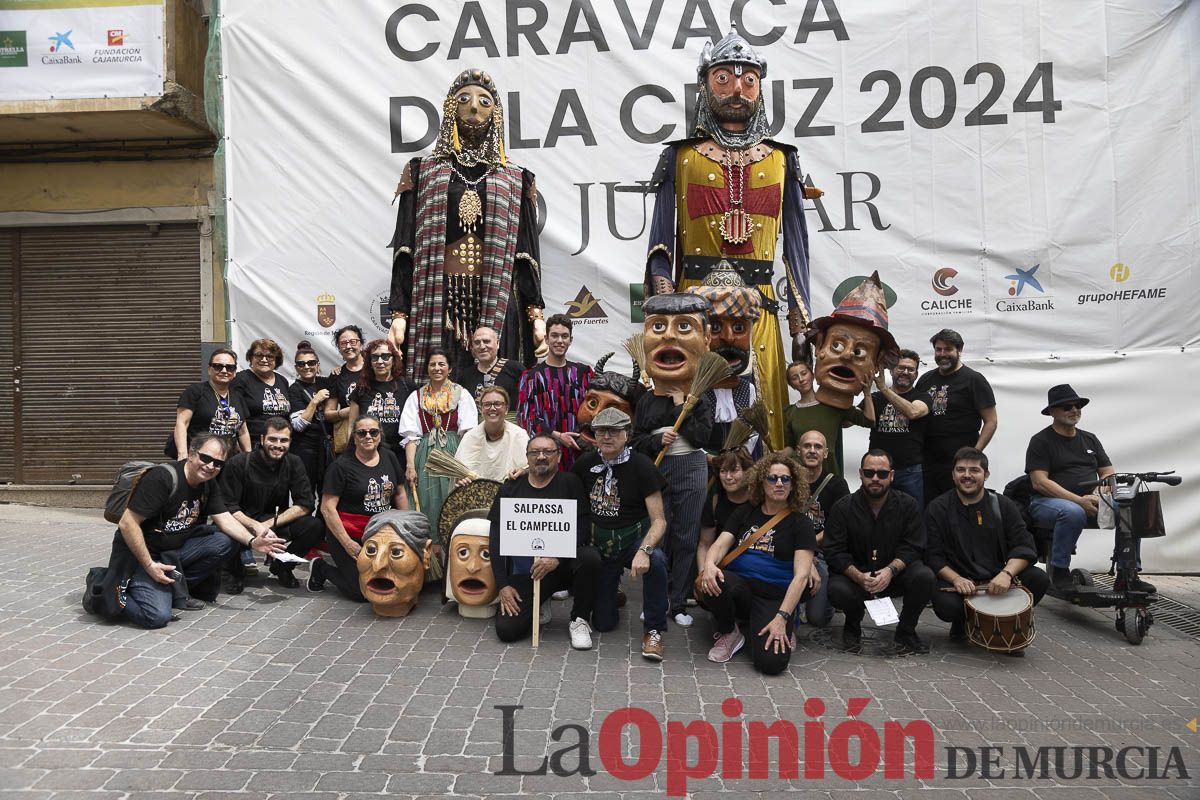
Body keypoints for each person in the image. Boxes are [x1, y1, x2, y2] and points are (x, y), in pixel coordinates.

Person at [644, 27, 817, 451]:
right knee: (693, 411)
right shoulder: (680, 157)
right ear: (705, 84)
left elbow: (796, 249)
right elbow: (660, 244)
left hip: (759, 305)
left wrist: (800, 319)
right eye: (723, 77)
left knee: (762, 417)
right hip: (695, 305)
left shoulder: (782, 158)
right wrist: (667, 305)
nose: (737, 88)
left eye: (748, 79)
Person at [388, 69, 546, 378]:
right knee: (441, 384)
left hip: (498, 295)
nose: (474, 107)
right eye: (464, 99)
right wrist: (399, 313)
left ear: (496, 114)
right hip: (439, 296)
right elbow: (405, 248)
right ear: (450, 108)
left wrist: (536, 315)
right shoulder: (422, 172)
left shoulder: (517, 178)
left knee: (498, 384)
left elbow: (526, 255)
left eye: (485, 101)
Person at [111, 433, 286, 628]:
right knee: (157, 616)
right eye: (206, 458)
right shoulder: (162, 478)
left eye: (218, 463)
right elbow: (127, 523)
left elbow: (224, 518)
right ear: (192, 454)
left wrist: (252, 542)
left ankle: (173, 589)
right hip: (143, 555)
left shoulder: (207, 483)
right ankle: (105, 590)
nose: (210, 466)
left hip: (173, 552)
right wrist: (149, 565)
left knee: (225, 541)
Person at [632, 293, 715, 628]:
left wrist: (683, 406)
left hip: (691, 468)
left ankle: (678, 602)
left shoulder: (701, 398)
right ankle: (656, 601)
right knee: (658, 535)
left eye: (683, 327)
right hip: (658, 470)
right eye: (659, 327)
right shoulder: (646, 400)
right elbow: (636, 441)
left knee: (686, 535)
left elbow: (702, 438)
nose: (669, 336)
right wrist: (656, 440)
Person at [1024, 384, 1152, 593]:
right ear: (1052, 412)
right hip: (1045, 503)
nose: (1074, 410)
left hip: (1090, 500)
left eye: (1077, 406)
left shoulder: (1090, 438)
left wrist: (1097, 494)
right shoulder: (1041, 441)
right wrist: (1078, 500)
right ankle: (1060, 570)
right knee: (1071, 511)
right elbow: (1040, 482)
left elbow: (1109, 473)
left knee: (1131, 509)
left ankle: (1128, 573)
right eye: (1067, 407)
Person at [698, 454, 817, 674]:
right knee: (713, 578)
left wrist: (782, 618)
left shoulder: (801, 523)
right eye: (772, 478)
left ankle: (779, 623)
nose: (779, 483)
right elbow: (720, 544)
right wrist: (709, 565)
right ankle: (729, 632)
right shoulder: (745, 512)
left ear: (793, 485)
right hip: (741, 586)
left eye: (785, 479)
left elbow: (801, 576)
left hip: (774, 595)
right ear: (761, 482)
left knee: (771, 664)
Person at [570, 408, 670, 662]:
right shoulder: (584, 463)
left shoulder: (642, 466)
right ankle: (612, 591)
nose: (606, 436)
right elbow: (560, 489)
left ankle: (654, 630)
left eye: (614, 431)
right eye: (601, 431)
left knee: (657, 560)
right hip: (600, 545)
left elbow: (659, 521)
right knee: (604, 623)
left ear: (627, 434)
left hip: (632, 542)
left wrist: (644, 551)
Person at [926, 447, 1048, 654]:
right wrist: (956, 579)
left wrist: (1006, 574)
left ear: (986, 474)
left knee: (1039, 578)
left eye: (974, 470)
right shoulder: (938, 508)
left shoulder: (1003, 505)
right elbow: (932, 555)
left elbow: (1025, 546)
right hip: (962, 584)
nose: (967, 476)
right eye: (960, 470)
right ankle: (963, 622)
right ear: (953, 474)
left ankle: (1008, 624)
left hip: (998, 580)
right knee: (947, 606)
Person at [488, 434, 598, 647]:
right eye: (535, 452)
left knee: (589, 558)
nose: (541, 456)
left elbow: (583, 529)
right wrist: (502, 586)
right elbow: (495, 539)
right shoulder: (510, 488)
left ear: (558, 456)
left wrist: (557, 557)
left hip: (562, 566)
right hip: (527, 573)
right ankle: (542, 599)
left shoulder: (570, 483)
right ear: (527, 458)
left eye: (548, 452)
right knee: (507, 631)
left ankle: (579, 620)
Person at [824, 449, 935, 654]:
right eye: (869, 473)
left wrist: (890, 571)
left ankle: (906, 630)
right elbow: (834, 551)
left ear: (892, 475)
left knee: (924, 576)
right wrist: (858, 576)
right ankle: (852, 624)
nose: (875, 478)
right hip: (857, 577)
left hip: (894, 576)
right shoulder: (843, 507)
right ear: (860, 473)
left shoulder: (908, 505)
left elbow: (914, 546)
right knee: (837, 589)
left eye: (882, 474)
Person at [218, 418, 326, 590]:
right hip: (241, 521)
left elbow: (306, 503)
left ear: (290, 442)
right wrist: (254, 526)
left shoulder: (294, 462)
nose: (278, 445)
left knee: (314, 526)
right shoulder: (238, 463)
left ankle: (283, 568)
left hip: (273, 522)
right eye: (272, 439)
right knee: (223, 533)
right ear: (262, 440)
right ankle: (234, 571)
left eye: (284, 440)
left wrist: (267, 525)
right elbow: (228, 507)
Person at [312, 414, 408, 600]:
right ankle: (321, 568)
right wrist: (347, 543)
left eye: (373, 432)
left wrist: (407, 529)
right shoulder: (341, 466)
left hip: (381, 533)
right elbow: (327, 508)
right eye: (361, 433)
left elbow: (400, 493)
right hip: (348, 532)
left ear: (380, 434)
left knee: (391, 579)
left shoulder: (389, 457)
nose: (368, 437)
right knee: (360, 591)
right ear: (354, 437)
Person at [400, 348, 478, 537]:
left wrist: (464, 466)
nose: (437, 368)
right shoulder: (416, 397)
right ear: (427, 368)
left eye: (441, 364)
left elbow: (469, 434)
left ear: (449, 368)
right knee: (426, 499)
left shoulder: (461, 394)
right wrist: (411, 466)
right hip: (424, 456)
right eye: (432, 364)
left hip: (454, 452)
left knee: (451, 497)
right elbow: (411, 435)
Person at [914, 329, 997, 503]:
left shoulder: (974, 380)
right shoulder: (925, 379)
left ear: (959, 350)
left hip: (958, 465)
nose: (942, 354)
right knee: (931, 512)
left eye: (948, 349)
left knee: (959, 511)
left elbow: (991, 421)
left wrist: (974, 454)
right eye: (938, 349)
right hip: (927, 463)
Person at [515, 313, 593, 469]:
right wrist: (557, 436)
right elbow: (525, 418)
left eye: (564, 336)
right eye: (555, 336)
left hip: (580, 453)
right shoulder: (531, 376)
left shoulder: (584, 373)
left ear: (571, 340)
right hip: (544, 456)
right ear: (546, 339)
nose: (559, 341)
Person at [795, 430, 849, 628]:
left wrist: (808, 548)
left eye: (817, 447)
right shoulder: (788, 481)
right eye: (807, 446)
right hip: (792, 551)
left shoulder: (837, 485)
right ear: (798, 451)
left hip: (821, 554)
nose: (812, 451)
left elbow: (837, 528)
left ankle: (827, 600)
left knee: (817, 619)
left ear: (826, 453)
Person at [866, 349, 931, 507]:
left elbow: (913, 412)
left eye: (911, 369)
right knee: (875, 514)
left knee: (913, 518)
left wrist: (884, 389)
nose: (905, 372)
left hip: (909, 471)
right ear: (891, 370)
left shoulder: (923, 397)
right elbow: (849, 422)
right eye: (901, 367)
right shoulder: (876, 398)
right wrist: (863, 392)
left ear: (916, 375)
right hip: (877, 472)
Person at [169, 347, 251, 458]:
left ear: (235, 372)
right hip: (201, 458)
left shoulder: (238, 396)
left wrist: (248, 457)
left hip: (229, 458)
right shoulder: (195, 391)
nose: (224, 371)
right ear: (209, 369)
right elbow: (182, 423)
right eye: (218, 366)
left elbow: (243, 431)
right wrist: (183, 454)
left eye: (230, 367)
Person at [349, 339, 418, 461]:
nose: (380, 361)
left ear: (393, 359)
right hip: (369, 455)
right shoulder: (361, 389)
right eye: (375, 357)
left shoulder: (407, 386)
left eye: (385, 356)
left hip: (401, 455)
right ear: (369, 362)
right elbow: (351, 427)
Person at [287, 341, 333, 501]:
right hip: (304, 450)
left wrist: (339, 371)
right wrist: (315, 401)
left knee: (328, 495)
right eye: (301, 364)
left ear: (318, 365)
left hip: (327, 450)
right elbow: (298, 425)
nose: (306, 367)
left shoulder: (326, 382)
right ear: (296, 368)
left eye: (311, 363)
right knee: (305, 497)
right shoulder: (294, 389)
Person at [697, 448, 754, 574]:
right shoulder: (714, 502)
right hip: (721, 569)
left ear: (747, 472)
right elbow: (705, 544)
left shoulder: (759, 501)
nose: (728, 477)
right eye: (723, 471)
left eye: (734, 470)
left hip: (753, 567)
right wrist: (702, 575)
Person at [456, 387, 529, 482]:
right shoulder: (470, 437)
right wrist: (462, 481)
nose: (492, 408)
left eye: (498, 404)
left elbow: (530, 468)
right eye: (487, 405)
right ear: (481, 410)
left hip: (510, 491)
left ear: (506, 409)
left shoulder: (519, 435)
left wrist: (523, 471)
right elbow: (458, 476)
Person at [232, 338, 292, 442]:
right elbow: (237, 417)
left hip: (280, 442)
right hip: (253, 442)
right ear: (251, 358)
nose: (264, 360)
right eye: (259, 355)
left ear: (276, 360)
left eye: (269, 356)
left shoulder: (282, 381)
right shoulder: (241, 379)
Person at [455, 325, 526, 409]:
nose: (482, 346)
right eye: (477, 343)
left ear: (497, 343)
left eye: (486, 341)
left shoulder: (515, 369)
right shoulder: (465, 376)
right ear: (472, 347)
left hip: (511, 422)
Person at [323, 325, 367, 452]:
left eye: (353, 342)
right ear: (339, 348)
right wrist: (346, 412)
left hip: (374, 434)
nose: (348, 346)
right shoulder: (337, 375)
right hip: (350, 437)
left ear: (361, 344)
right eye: (343, 343)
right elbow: (328, 413)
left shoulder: (373, 369)